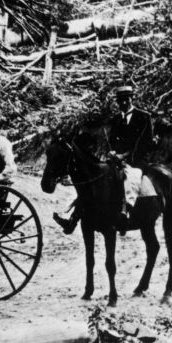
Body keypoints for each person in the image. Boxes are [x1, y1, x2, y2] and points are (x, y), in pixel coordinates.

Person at [53, 85, 155, 234]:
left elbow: (146, 143)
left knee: (130, 178)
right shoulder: (116, 119)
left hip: (136, 160)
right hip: (116, 160)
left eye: (126, 100)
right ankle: (71, 217)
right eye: (120, 101)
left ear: (131, 98)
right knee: (92, 182)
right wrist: (113, 152)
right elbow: (113, 140)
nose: (123, 103)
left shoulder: (144, 117)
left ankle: (126, 212)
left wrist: (125, 155)